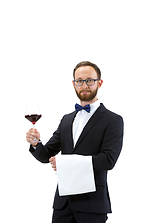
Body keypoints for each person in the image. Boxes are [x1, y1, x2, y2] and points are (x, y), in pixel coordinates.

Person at [26, 61, 124, 223]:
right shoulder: (67, 119)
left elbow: (108, 160)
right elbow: (46, 155)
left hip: (93, 204)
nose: (84, 85)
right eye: (79, 81)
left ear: (99, 82)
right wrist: (36, 144)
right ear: (73, 84)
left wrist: (64, 163)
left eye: (89, 80)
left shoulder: (113, 120)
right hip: (63, 204)